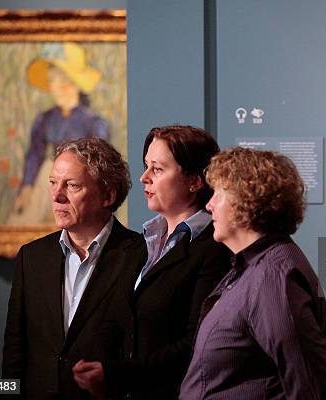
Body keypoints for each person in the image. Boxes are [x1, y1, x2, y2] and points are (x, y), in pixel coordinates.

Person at [72, 126, 232, 399]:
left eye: (157, 169)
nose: (144, 178)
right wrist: (95, 366)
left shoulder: (214, 250)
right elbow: (118, 317)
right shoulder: (144, 242)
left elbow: (195, 343)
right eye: (146, 166)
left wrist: (118, 375)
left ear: (194, 181)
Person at [179, 147, 326, 400]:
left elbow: (312, 388)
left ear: (245, 199)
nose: (209, 205)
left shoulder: (273, 278)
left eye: (218, 194)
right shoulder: (251, 267)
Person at [2, 138, 140, 399]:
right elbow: (14, 355)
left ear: (108, 195)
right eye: (53, 183)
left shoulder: (140, 256)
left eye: (72, 185)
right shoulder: (31, 257)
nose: (56, 195)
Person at [9, 42, 110, 225]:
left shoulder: (93, 123)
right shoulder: (44, 119)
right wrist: (27, 187)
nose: (57, 87)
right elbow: (34, 154)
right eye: (52, 80)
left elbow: (100, 165)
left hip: (82, 184)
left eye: (63, 80)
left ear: (77, 85)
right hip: (48, 180)